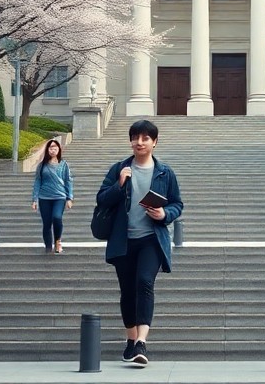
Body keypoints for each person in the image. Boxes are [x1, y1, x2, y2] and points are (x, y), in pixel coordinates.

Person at [96, 120, 183, 367]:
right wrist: (119, 184)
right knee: (127, 291)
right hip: (123, 240)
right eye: (136, 137)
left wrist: (165, 214)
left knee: (145, 283)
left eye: (145, 138)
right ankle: (131, 340)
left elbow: (177, 203)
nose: (140, 142)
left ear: (154, 142)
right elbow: (102, 199)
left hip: (151, 240)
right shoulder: (119, 169)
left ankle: (142, 341)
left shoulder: (165, 172)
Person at [31, 138, 74, 254]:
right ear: (47, 150)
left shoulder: (63, 164)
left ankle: (58, 241)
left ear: (59, 149)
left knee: (57, 217)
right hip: (44, 197)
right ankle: (48, 247)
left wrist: (70, 198)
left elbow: (68, 181)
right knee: (46, 223)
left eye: (55, 147)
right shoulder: (42, 165)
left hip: (59, 197)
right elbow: (37, 181)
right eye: (50, 147)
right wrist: (34, 199)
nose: (53, 149)